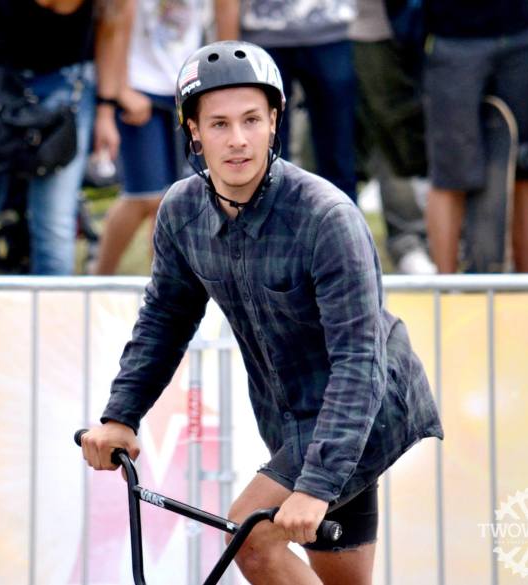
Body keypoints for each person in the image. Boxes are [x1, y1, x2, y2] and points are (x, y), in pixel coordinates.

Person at [79, 41, 443, 585]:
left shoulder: (326, 218)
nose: (238, 139)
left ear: (275, 122)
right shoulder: (182, 212)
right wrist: (120, 416)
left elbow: (358, 362)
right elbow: (164, 321)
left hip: (367, 410)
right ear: (193, 130)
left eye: (252, 120)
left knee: (248, 539)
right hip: (293, 419)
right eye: (219, 124)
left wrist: (317, 484)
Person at [0, 0, 129, 275]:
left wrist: (106, 111)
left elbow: (114, 24)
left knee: (55, 226)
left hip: (67, 83)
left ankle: (51, 305)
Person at [421, 0, 528, 273]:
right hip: (451, 38)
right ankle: (444, 289)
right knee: (449, 173)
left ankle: (526, 285)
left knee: (525, 165)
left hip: (521, 33)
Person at [93, 0, 204, 275]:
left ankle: (162, 281)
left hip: (188, 87)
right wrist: (121, 88)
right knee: (144, 196)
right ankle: (99, 275)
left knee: (178, 197)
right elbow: (115, 23)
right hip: (139, 87)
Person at [215, 0, 359, 201]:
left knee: (339, 152)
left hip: (332, 29)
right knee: (265, 151)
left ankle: (343, 217)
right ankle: (265, 217)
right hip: (262, 33)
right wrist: (227, 56)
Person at [350, 0, 436, 275]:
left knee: (395, 134)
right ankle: (336, 246)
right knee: (327, 148)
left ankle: (408, 241)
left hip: (385, 29)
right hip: (313, 34)